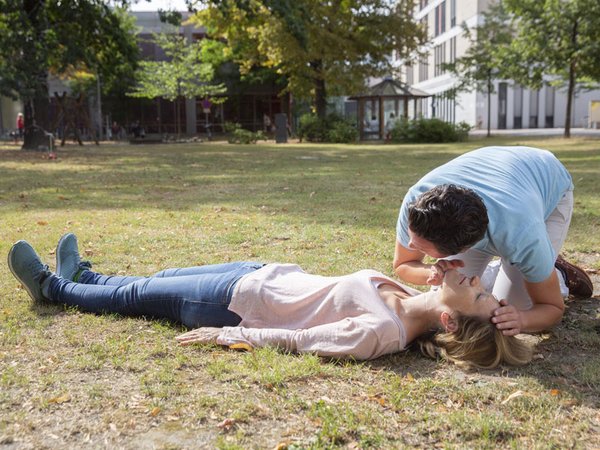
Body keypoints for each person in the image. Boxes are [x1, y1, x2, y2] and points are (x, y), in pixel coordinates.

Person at [7, 234, 533, 369]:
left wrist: (230, 334)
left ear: (448, 318)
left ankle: (53, 288)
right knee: (156, 275)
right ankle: (85, 274)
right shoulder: (409, 291)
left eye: (478, 293)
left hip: (233, 306)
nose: (475, 281)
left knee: (135, 296)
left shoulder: (380, 333)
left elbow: (300, 340)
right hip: (257, 274)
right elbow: (430, 258)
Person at [394, 146, 593, 338]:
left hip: (546, 178)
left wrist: (522, 319)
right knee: (450, 297)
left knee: (509, 311)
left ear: (464, 248)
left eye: (421, 247)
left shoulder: (524, 236)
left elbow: (552, 308)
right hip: (498, 170)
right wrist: (431, 273)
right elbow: (403, 264)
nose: (410, 245)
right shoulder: (417, 206)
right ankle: (520, 269)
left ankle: (556, 271)